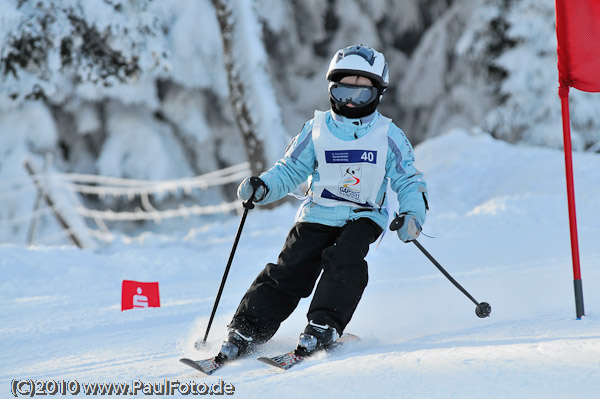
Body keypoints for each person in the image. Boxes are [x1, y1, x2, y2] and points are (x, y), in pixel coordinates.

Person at [216, 44, 428, 361]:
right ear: (331, 89)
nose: (350, 102)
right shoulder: (316, 130)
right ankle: (247, 329)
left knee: (346, 259)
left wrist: (412, 214)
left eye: (361, 94)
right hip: (317, 213)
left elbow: (408, 179)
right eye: (343, 92)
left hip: (363, 215)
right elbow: (289, 171)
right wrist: (263, 188)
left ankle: (323, 325)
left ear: (377, 94)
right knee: (289, 270)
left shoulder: (388, 135)